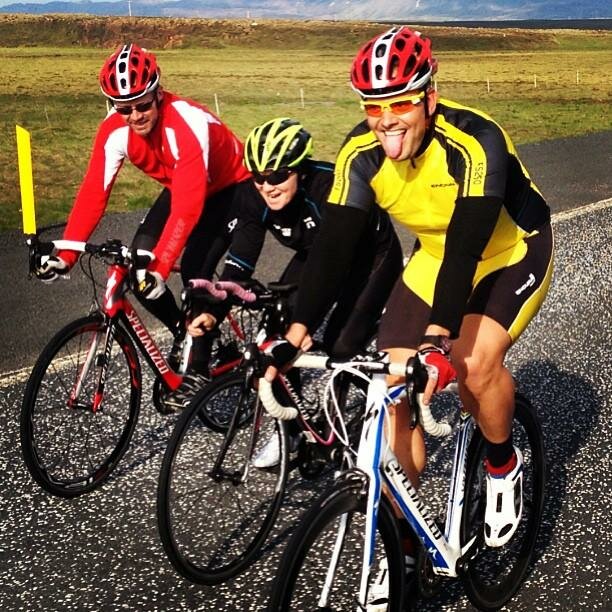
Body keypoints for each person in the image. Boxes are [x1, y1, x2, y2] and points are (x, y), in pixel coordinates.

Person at [266, 25, 554, 582]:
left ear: (428, 97)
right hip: (434, 255)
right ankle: (401, 542)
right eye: (373, 105)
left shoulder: (475, 141)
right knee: (389, 382)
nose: (385, 118)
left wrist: (440, 340)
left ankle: (501, 464)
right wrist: (296, 332)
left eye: (400, 101)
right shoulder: (361, 155)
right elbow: (331, 249)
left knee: (472, 364)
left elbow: (468, 247)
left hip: (509, 249)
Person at [35, 43, 251, 402]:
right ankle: (184, 332)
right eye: (124, 108)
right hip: (183, 184)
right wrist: (66, 254)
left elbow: (188, 206)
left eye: (143, 104)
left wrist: (163, 265)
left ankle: (198, 369)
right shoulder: (114, 131)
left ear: (158, 93)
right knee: (139, 261)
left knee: (194, 268)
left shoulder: (186, 122)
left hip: (232, 188)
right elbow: (93, 192)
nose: (135, 116)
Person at [188, 116, 404, 464]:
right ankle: (289, 431)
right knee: (276, 336)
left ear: (300, 170)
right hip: (314, 256)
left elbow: (332, 265)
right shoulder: (253, 196)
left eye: (277, 175)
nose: (267, 186)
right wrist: (213, 312)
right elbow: (239, 264)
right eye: (259, 177)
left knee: (340, 343)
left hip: (369, 255)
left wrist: (305, 323)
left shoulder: (327, 186)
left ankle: (344, 425)